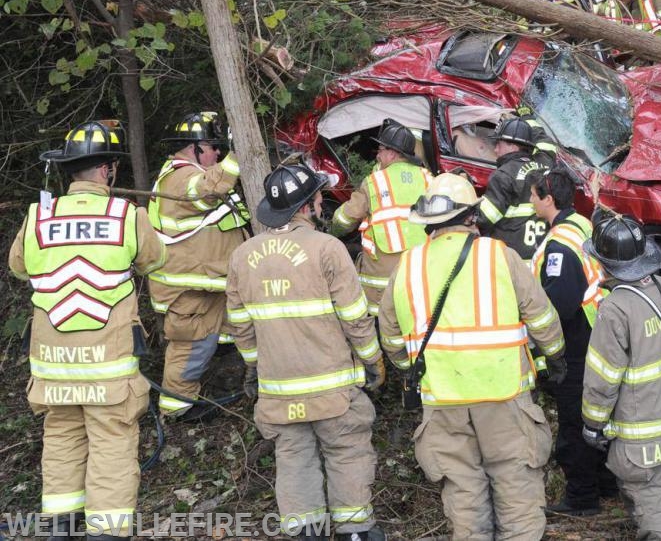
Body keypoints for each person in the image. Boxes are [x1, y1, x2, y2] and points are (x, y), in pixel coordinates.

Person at [377, 173, 567, 541]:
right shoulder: (499, 256)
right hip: (504, 397)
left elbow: (389, 335)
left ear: (428, 222)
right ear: (470, 216)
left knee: (464, 497)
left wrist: (411, 369)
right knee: (516, 489)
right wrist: (556, 356)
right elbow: (541, 314)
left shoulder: (407, 266)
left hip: (443, 402)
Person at [8, 120, 165, 540]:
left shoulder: (39, 215)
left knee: (60, 438)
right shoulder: (127, 216)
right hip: (107, 364)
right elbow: (155, 261)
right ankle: (106, 532)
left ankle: (60, 525)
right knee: (112, 443)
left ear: (69, 170)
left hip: (53, 362)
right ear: (107, 170)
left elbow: (17, 266)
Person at [227, 164, 386, 541]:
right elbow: (354, 317)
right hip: (333, 389)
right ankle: (355, 532)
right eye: (318, 197)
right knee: (346, 451)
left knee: (294, 458)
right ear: (309, 205)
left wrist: (254, 367)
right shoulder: (328, 248)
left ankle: (305, 532)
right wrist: (372, 360)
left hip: (279, 389)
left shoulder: (242, 256)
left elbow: (239, 324)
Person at [581, 213, 661, 541]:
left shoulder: (615, 309)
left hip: (642, 436)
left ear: (606, 264)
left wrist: (593, 425)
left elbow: (603, 377)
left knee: (652, 499)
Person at [147, 111, 250, 418]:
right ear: (194, 147)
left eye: (220, 148)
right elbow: (208, 190)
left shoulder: (184, 175)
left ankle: (224, 387)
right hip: (190, 289)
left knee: (220, 338)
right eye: (211, 147)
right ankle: (178, 408)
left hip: (207, 283)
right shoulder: (180, 178)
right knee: (191, 348)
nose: (216, 153)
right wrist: (237, 154)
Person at [527, 169, 616, 517]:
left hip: (575, 342)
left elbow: (559, 302)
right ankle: (607, 485)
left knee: (573, 423)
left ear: (548, 200)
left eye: (534, 196)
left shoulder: (559, 245)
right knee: (599, 415)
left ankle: (582, 498)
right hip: (598, 332)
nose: (530, 202)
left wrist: (541, 341)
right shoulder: (580, 223)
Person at [332, 119, 432, 315]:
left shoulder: (375, 181)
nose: (377, 155)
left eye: (380, 150)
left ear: (392, 153)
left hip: (384, 272)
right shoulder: (427, 177)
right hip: (422, 263)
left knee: (385, 315)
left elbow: (346, 218)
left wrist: (331, 225)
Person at [476, 116, 550, 260]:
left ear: (513, 146)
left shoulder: (503, 175)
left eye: (499, 143)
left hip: (510, 261)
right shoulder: (545, 168)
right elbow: (547, 143)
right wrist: (528, 117)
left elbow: (483, 219)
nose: (495, 149)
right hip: (539, 260)